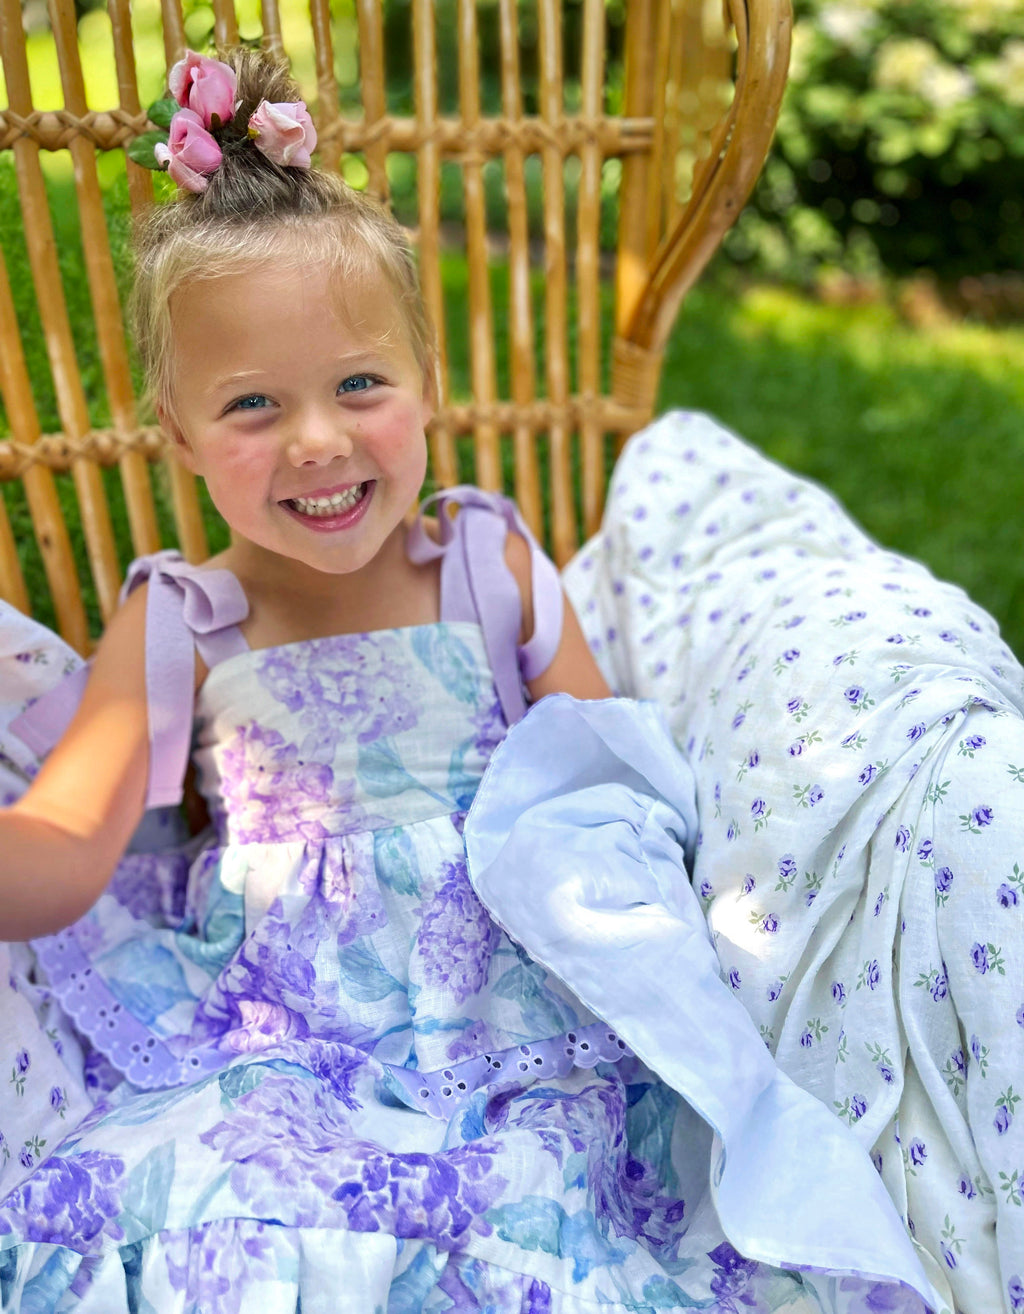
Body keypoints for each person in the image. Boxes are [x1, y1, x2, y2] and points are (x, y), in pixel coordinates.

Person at [0, 46, 942, 1313]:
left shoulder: (484, 561)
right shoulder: (185, 619)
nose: (319, 440)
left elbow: (610, 778)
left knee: (546, 1202)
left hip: (516, 1013)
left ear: (428, 391)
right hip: (286, 1032)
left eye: (359, 386)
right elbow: (63, 842)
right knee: (233, 1204)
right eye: (252, 407)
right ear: (177, 435)